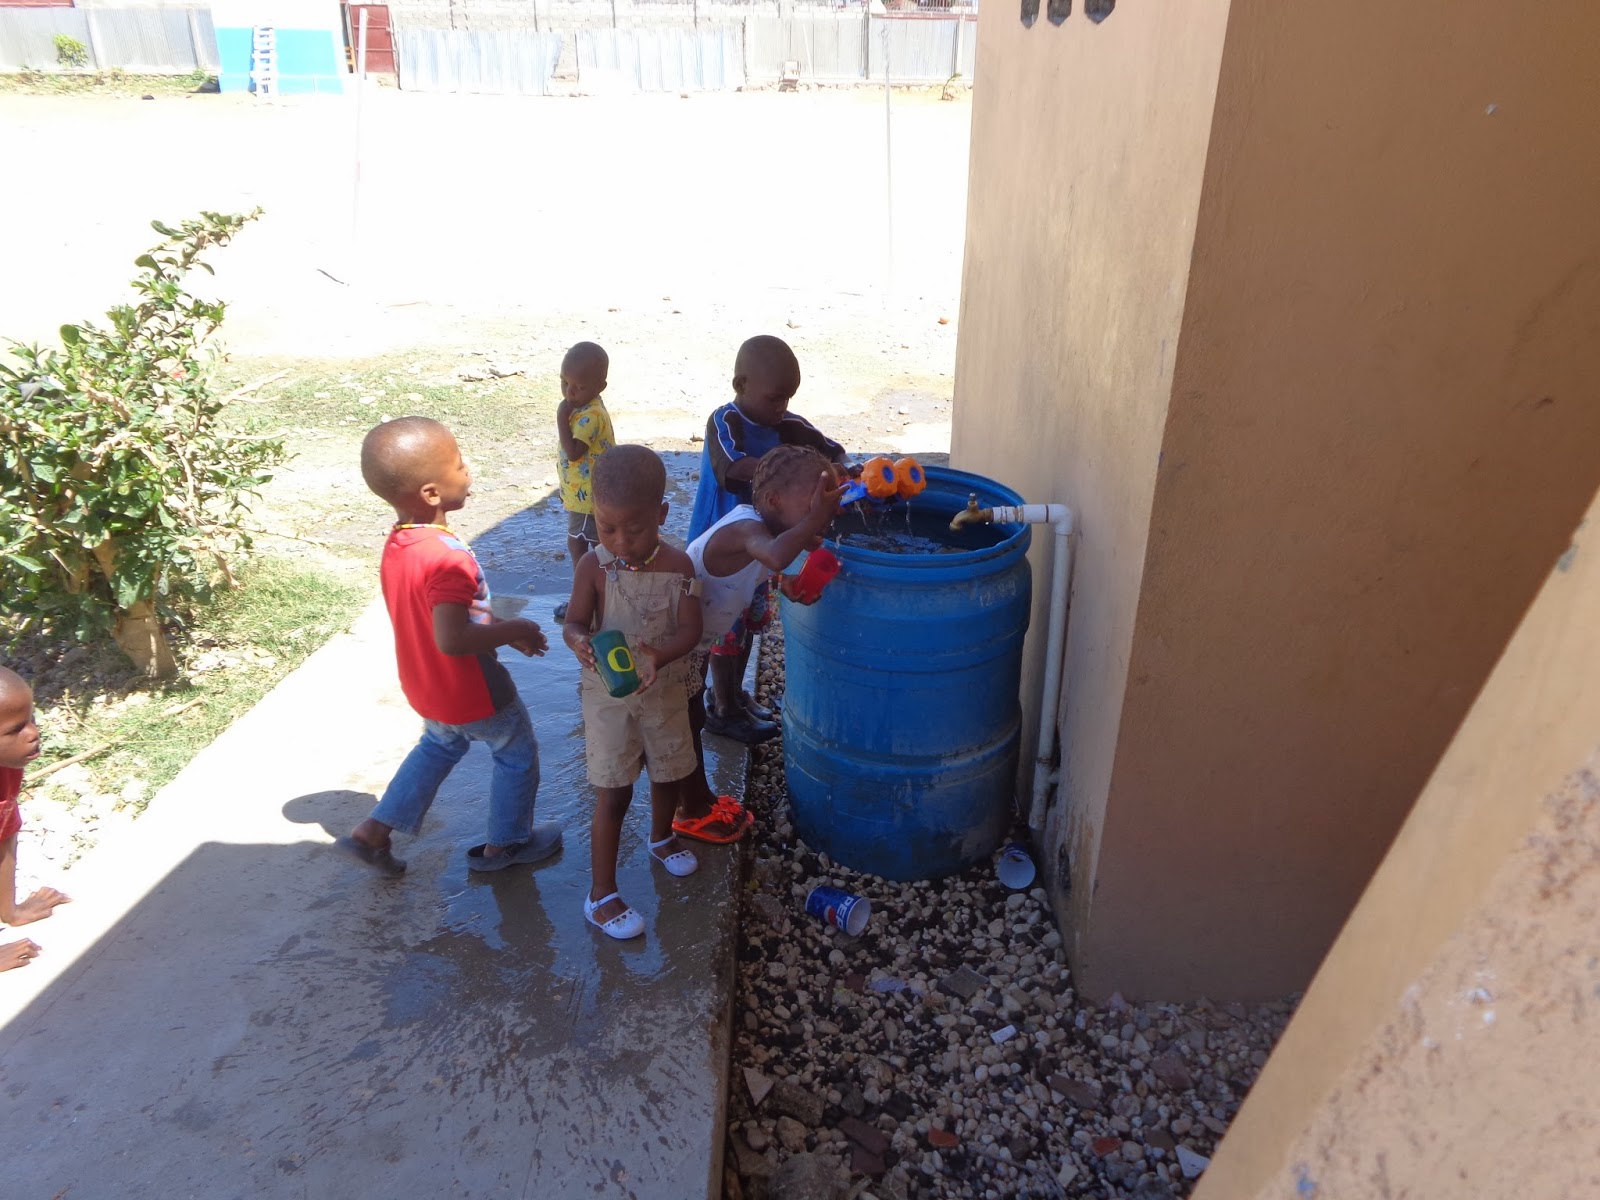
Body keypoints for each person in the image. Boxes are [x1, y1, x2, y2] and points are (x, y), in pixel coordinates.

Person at [338, 417, 560, 878]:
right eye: (459, 465)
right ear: (431, 493)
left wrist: (500, 629)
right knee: (515, 752)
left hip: (428, 687)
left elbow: (446, 618)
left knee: (438, 746)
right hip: (473, 689)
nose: (468, 471)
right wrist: (516, 625)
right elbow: (453, 638)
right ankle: (507, 844)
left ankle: (374, 831)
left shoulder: (401, 543)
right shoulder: (448, 560)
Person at [562, 445, 704, 940]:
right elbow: (574, 622)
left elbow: (691, 629)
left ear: (661, 515)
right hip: (609, 698)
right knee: (614, 791)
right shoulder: (593, 568)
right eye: (607, 528)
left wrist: (659, 656)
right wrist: (578, 641)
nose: (621, 541)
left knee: (669, 773)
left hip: (663, 689)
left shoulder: (681, 567)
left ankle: (661, 837)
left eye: (635, 529)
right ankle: (600, 893)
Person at [673, 445, 842, 846]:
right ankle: (688, 810)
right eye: (811, 506)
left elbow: (766, 567)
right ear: (772, 500)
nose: (820, 516)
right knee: (682, 722)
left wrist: (790, 586)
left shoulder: (766, 532)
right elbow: (775, 556)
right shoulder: (746, 528)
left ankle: (699, 798)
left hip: (695, 641)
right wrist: (813, 522)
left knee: (690, 716)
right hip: (674, 638)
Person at [687, 334, 849, 743]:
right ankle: (722, 709)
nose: (782, 408)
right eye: (775, 398)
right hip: (725, 545)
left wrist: (845, 471)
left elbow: (832, 450)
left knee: (744, 625)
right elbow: (731, 467)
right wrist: (787, 474)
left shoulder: (788, 425)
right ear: (741, 385)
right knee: (722, 635)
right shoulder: (725, 422)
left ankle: (732, 695)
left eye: (788, 398)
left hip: (758, 553)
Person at [0, 667, 70, 972]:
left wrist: (11, 912)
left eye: (32, 719)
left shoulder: (7, 769)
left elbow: (5, 834)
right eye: (15, 730)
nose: (33, 733)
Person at [553, 341, 616, 622]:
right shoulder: (583, 407)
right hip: (583, 494)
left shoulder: (590, 415)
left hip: (588, 499)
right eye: (564, 383)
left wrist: (560, 418)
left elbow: (574, 452)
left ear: (600, 387)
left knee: (582, 546)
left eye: (578, 387)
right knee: (595, 548)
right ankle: (597, 597)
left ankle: (587, 599)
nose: (569, 392)